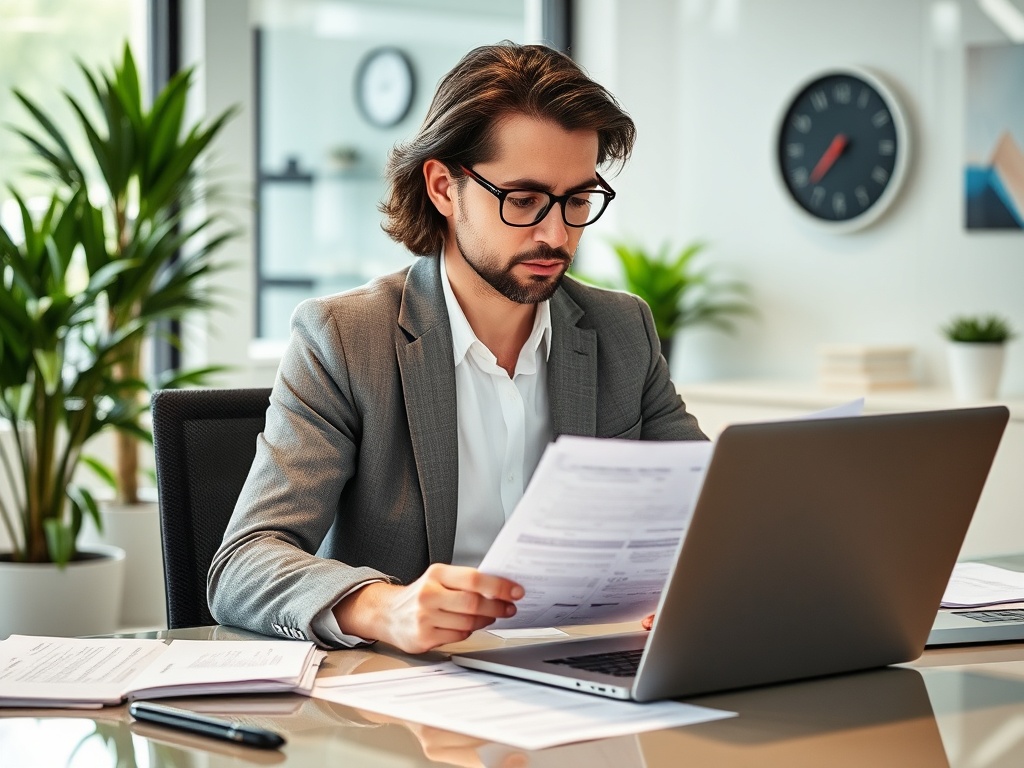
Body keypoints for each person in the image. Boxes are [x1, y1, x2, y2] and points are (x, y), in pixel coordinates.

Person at [208, 42, 706, 654]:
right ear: (444, 187)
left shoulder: (621, 330)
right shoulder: (343, 339)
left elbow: (710, 516)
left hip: (579, 676)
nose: (557, 233)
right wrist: (383, 607)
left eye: (578, 201)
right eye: (523, 201)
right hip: (404, 709)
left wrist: (701, 583)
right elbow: (243, 563)